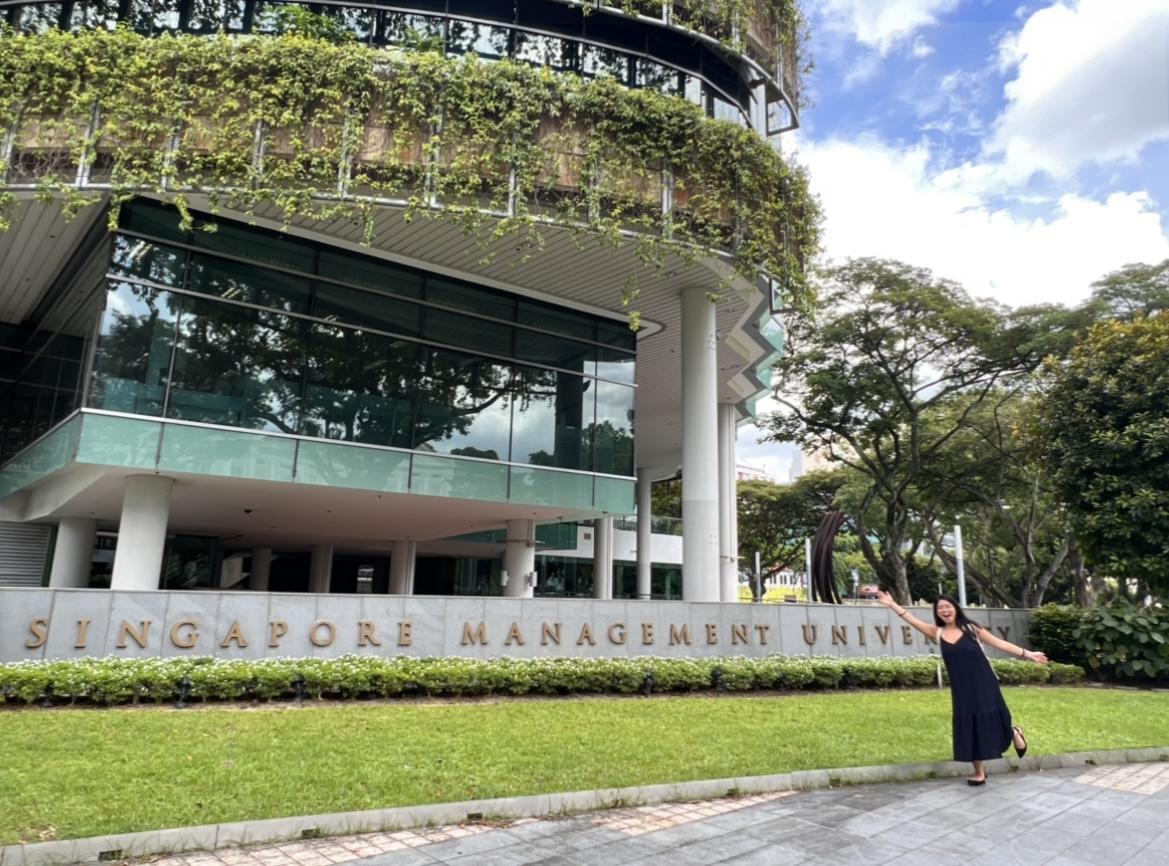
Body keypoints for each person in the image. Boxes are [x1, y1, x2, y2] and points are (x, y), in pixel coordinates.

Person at [875, 590, 1049, 786]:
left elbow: (999, 643)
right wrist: (892, 604)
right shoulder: (937, 632)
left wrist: (1028, 654)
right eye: (940, 608)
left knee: (991, 716)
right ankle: (979, 772)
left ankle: (1013, 732)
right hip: (961, 688)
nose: (944, 610)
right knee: (970, 725)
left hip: (983, 681)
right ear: (937, 612)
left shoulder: (971, 628)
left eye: (948, 606)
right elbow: (913, 620)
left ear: (955, 608)